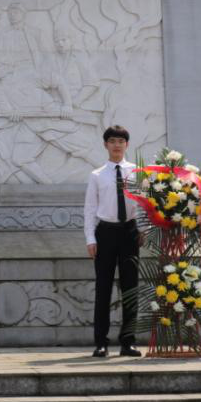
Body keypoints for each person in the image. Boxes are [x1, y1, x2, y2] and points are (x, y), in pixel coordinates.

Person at [83, 125, 142, 357]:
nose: (117, 145)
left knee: (130, 288)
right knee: (103, 288)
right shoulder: (97, 175)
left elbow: (144, 204)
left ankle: (128, 342)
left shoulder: (137, 172)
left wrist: (143, 229)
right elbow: (90, 209)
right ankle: (101, 342)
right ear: (105, 144)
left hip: (130, 232)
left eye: (121, 141)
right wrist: (90, 238)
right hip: (105, 232)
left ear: (127, 145)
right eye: (112, 141)